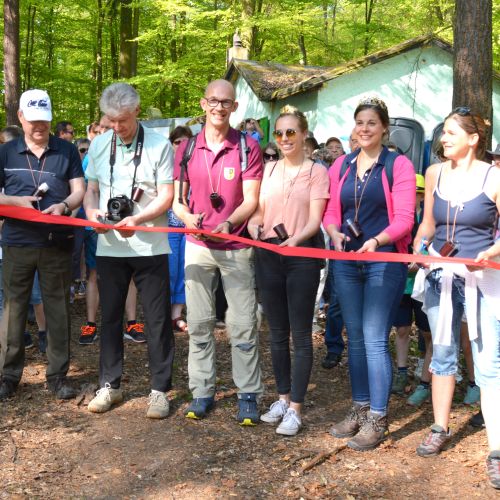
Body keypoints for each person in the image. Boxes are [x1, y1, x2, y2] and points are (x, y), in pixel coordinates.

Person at [413, 107, 500, 490]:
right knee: (442, 354)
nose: (443, 139)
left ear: (473, 138)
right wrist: (419, 247)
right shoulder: (434, 174)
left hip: (483, 282)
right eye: (442, 133)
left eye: (450, 133)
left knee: (489, 363)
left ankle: (496, 451)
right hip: (440, 279)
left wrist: (492, 253)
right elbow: (428, 224)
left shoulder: (494, 177)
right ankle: (439, 427)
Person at [323, 96, 415, 451]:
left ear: (384, 128)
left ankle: (378, 416)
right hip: (346, 260)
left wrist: (377, 240)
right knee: (356, 337)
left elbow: (405, 217)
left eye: (371, 123)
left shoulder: (398, 165)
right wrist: (332, 232)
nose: (364, 128)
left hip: (384, 259)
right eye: (359, 122)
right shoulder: (342, 165)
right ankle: (360, 408)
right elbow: (331, 210)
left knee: (376, 337)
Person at [173, 79, 263, 425]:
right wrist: (187, 218)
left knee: (242, 324)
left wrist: (229, 222)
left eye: (226, 102)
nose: (219, 107)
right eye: (213, 100)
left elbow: (251, 199)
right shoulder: (186, 149)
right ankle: (201, 391)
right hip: (197, 246)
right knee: (198, 323)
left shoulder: (247, 147)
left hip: (236, 246)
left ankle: (248, 394)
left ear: (235, 107)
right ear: (203, 103)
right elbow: (178, 202)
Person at [84, 83, 175, 419]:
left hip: (150, 243)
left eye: (122, 120)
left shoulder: (159, 144)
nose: (117, 127)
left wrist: (139, 217)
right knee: (109, 317)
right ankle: (110, 384)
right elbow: (91, 190)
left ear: (137, 111)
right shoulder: (99, 144)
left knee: (156, 319)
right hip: (109, 246)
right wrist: (92, 213)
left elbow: (167, 196)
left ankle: (159, 390)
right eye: (111, 120)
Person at [0, 89, 85, 400]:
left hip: (56, 243)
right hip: (17, 242)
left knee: (58, 309)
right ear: (21, 117)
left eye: (45, 122)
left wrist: (64, 205)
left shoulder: (67, 150)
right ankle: (8, 375)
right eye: (33, 121)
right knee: (13, 310)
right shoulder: (6, 153)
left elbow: (79, 190)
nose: (39, 127)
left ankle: (58, 375)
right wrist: (14, 201)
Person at [248, 106, 329, 436]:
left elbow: (314, 220)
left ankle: (296, 407)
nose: (284, 139)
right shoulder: (268, 170)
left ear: (304, 134)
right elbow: (258, 212)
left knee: (300, 333)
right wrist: (254, 226)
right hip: (268, 256)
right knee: (276, 332)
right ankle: (282, 398)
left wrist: (293, 241)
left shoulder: (316, 171)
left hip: (302, 257)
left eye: (290, 132)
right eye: (279, 133)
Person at [390, 174, 432, 402]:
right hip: (402, 282)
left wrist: (420, 261)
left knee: (428, 333)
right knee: (403, 329)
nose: (414, 196)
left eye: (418, 192)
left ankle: (425, 381)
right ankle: (402, 372)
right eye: (411, 192)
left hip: (423, 282)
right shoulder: (396, 215)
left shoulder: (428, 215)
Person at [168, 125, 192, 333]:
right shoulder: (165, 166)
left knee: (184, 271)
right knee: (169, 270)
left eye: (186, 142)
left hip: (189, 227)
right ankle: (162, 314)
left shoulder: (196, 164)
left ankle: (177, 315)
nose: (182, 146)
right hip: (167, 226)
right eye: (177, 142)